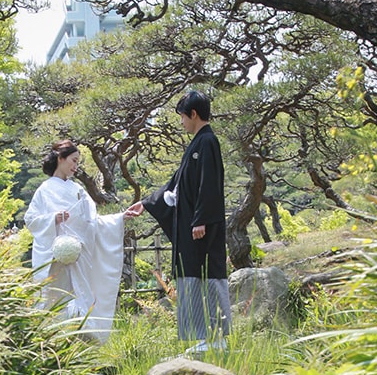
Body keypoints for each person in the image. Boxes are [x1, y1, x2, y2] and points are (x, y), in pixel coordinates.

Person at [126, 91, 232, 349]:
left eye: (183, 116)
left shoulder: (208, 142)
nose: (182, 122)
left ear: (193, 114)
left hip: (201, 228)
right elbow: (176, 185)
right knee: (191, 276)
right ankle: (206, 337)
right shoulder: (197, 144)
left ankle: (217, 338)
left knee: (208, 275)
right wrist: (148, 202)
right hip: (192, 227)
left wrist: (201, 219)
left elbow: (209, 184)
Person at [24, 140, 135, 343]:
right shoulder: (44, 190)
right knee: (54, 294)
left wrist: (119, 218)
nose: (76, 166)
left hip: (79, 254)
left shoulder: (79, 190)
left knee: (82, 294)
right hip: (55, 255)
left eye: (78, 162)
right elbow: (30, 220)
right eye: (74, 160)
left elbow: (92, 222)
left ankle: (83, 342)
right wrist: (52, 219)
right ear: (60, 158)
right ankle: (51, 340)